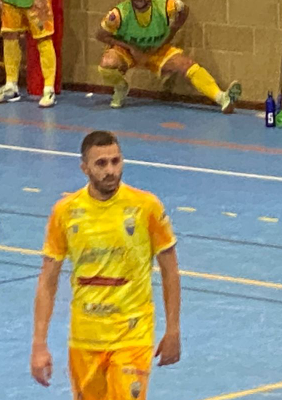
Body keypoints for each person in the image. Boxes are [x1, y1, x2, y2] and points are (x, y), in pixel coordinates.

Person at [30, 130, 182, 399]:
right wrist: (39, 344)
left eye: (115, 161)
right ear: (84, 168)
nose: (110, 170)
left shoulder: (146, 206)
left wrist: (173, 330)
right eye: (101, 163)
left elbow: (170, 271)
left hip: (132, 336)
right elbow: (48, 280)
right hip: (85, 339)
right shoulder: (65, 212)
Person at [96, 0, 241, 112]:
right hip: (128, 51)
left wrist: (171, 33)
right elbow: (101, 35)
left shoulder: (165, 5)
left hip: (156, 49)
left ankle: (222, 98)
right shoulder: (118, 14)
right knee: (107, 63)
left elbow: (184, 10)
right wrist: (131, 48)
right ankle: (120, 87)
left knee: (187, 65)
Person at [0, 0, 57, 107]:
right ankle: (11, 85)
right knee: (9, 34)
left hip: (36, 3)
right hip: (10, 2)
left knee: (43, 38)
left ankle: (49, 89)